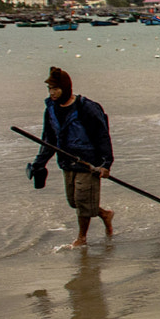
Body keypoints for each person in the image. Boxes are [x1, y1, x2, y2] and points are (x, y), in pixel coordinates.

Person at [38, 66, 115, 245]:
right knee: (74, 201)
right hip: (66, 161)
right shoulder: (51, 109)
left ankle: (82, 238)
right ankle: (105, 214)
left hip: (89, 162)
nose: (53, 93)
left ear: (66, 88)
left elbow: (102, 135)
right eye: (50, 89)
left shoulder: (86, 108)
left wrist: (106, 164)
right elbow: (48, 139)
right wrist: (39, 163)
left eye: (56, 89)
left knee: (82, 202)